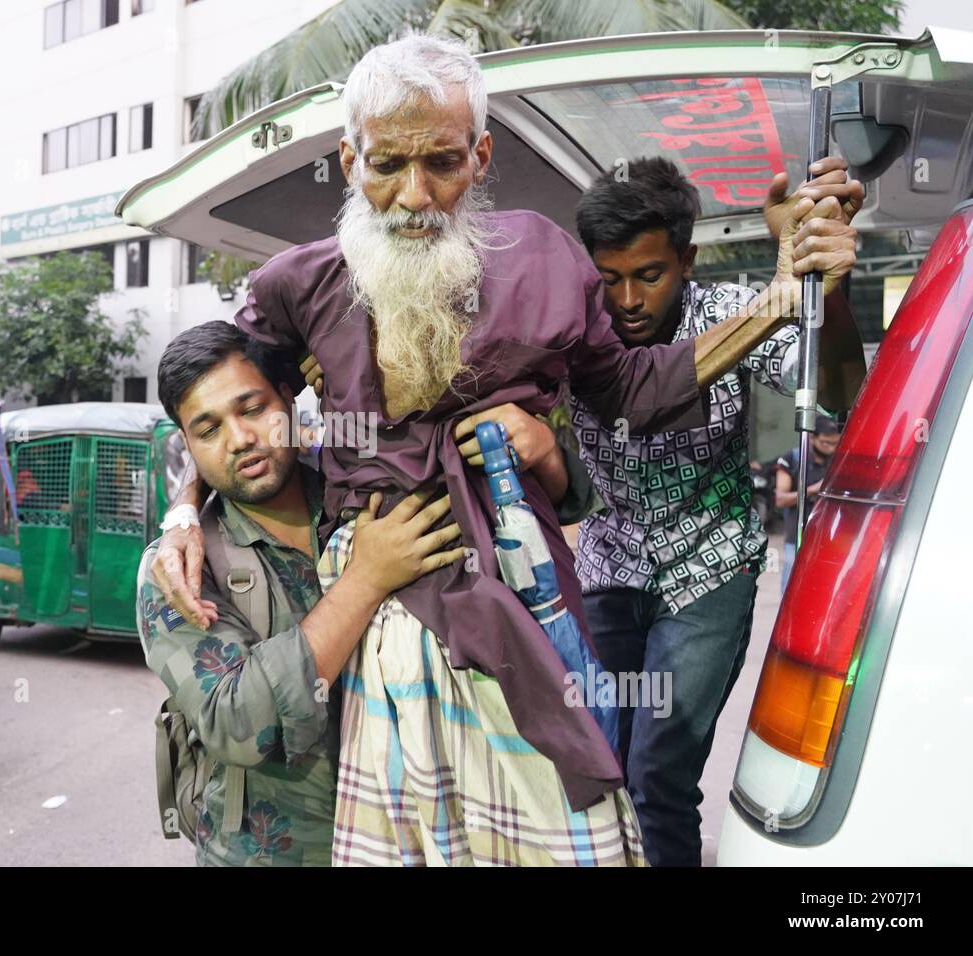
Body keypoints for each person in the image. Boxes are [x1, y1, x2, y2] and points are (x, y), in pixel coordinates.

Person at [152, 34, 856, 865]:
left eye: (442, 163)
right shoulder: (299, 284)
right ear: (349, 161)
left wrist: (783, 297)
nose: (414, 197)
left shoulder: (546, 260)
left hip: (530, 596)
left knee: (583, 820)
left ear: (481, 157)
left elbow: (631, 390)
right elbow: (217, 404)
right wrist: (179, 508)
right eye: (387, 166)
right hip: (383, 616)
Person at [568, 157, 865, 866]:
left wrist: (834, 292)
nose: (629, 300)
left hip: (710, 575)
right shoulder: (576, 331)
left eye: (649, 274)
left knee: (657, 776)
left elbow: (837, 396)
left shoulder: (739, 312)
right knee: (596, 767)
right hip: (609, 570)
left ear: (686, 259)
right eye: (609, 279)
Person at [137, 321, 467, 866]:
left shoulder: (365, 500)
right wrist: (366, 579)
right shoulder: (179, 570)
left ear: (290, 399)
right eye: (208, 428)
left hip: (412, 837)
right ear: (187, 444)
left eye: (252, 408)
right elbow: (236, 725)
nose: (239, 439)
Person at [775, 415, 842, 593]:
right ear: (812, 437)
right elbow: (780, 499)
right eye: (825, 443)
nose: (831, 448)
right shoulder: (793, 459)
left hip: (828, 536)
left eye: (835, 443)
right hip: (797, 534)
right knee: (791, 588)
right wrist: (813, 489)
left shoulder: (837, 460)